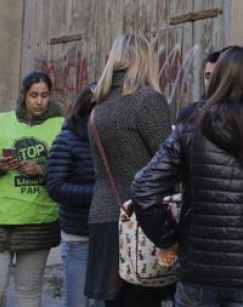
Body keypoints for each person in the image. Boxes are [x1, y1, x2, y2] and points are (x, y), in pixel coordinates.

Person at [133, 46, 243, 307]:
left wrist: (169, 238)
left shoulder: (189, 129)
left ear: (220, 77)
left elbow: (143, 186)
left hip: (199, 269)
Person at [84, 33, 173, 307]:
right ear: (145, 60)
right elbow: (167, 163)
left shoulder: (98, 106)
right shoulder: (147, 100)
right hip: (140, 220)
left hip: (104, 217)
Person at [0, 71, 64, 307]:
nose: (40, 101)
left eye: (44, 95)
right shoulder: (0, 123)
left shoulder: (62, 126)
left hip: (37, 223)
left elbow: (68, 168)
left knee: (29, 292)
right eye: (34, 95)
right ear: (23, 95)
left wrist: (41, 170)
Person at [46, 84, 98, 307]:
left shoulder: (113, 140)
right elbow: (56, 186)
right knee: (78, 302)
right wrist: (98, 194)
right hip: (79, 236)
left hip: (109, 236)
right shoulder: (67, 140)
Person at [174, 47, 228, 125]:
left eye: (217, 76)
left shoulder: (239, 115)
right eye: (208, 77)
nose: (211, 82)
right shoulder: (189, 114)